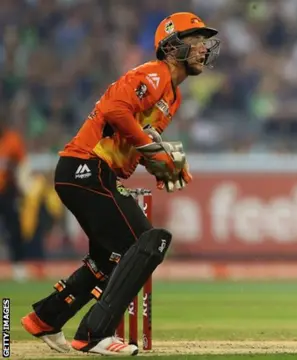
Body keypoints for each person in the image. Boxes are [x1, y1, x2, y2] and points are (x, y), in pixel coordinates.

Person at [20, 12, 221, 356]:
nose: (204, 49)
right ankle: (94, 333)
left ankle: (46, 317)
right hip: (86, 168)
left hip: (93, 172)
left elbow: (136, 137)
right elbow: (115, 111)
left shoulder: (173, 97)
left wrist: (161, 164)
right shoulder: (153, 74)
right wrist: (151, 149)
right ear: (172, 48)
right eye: (196, 41)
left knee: (110, 257)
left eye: (204, 42)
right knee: (148, 241)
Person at [0, 115, 29, 281]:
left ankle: (18, 265)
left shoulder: (12, 140)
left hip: (7, 191)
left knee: (14, 228)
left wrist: (22, 186)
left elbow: (23, 165)